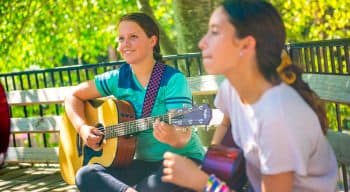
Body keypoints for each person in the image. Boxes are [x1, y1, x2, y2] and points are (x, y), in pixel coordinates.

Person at [161, 0, 338, 192]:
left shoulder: (277, 116)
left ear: (246, 45)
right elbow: (225, 129)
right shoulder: (233, 90)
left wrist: (202, 183)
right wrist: (208, 169)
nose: (202, 43)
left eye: (214, 32)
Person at [64, 12, 205, 192]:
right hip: (142, 164)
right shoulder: (117, 78)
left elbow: (183, 135)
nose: (125, 45)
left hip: (182, 161)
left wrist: (173, 136)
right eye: (121, 39)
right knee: (85, 175)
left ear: (152, 41)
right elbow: (72, 97)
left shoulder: (172, 80)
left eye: (133, 37)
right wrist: (83, 128)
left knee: (158, 185)